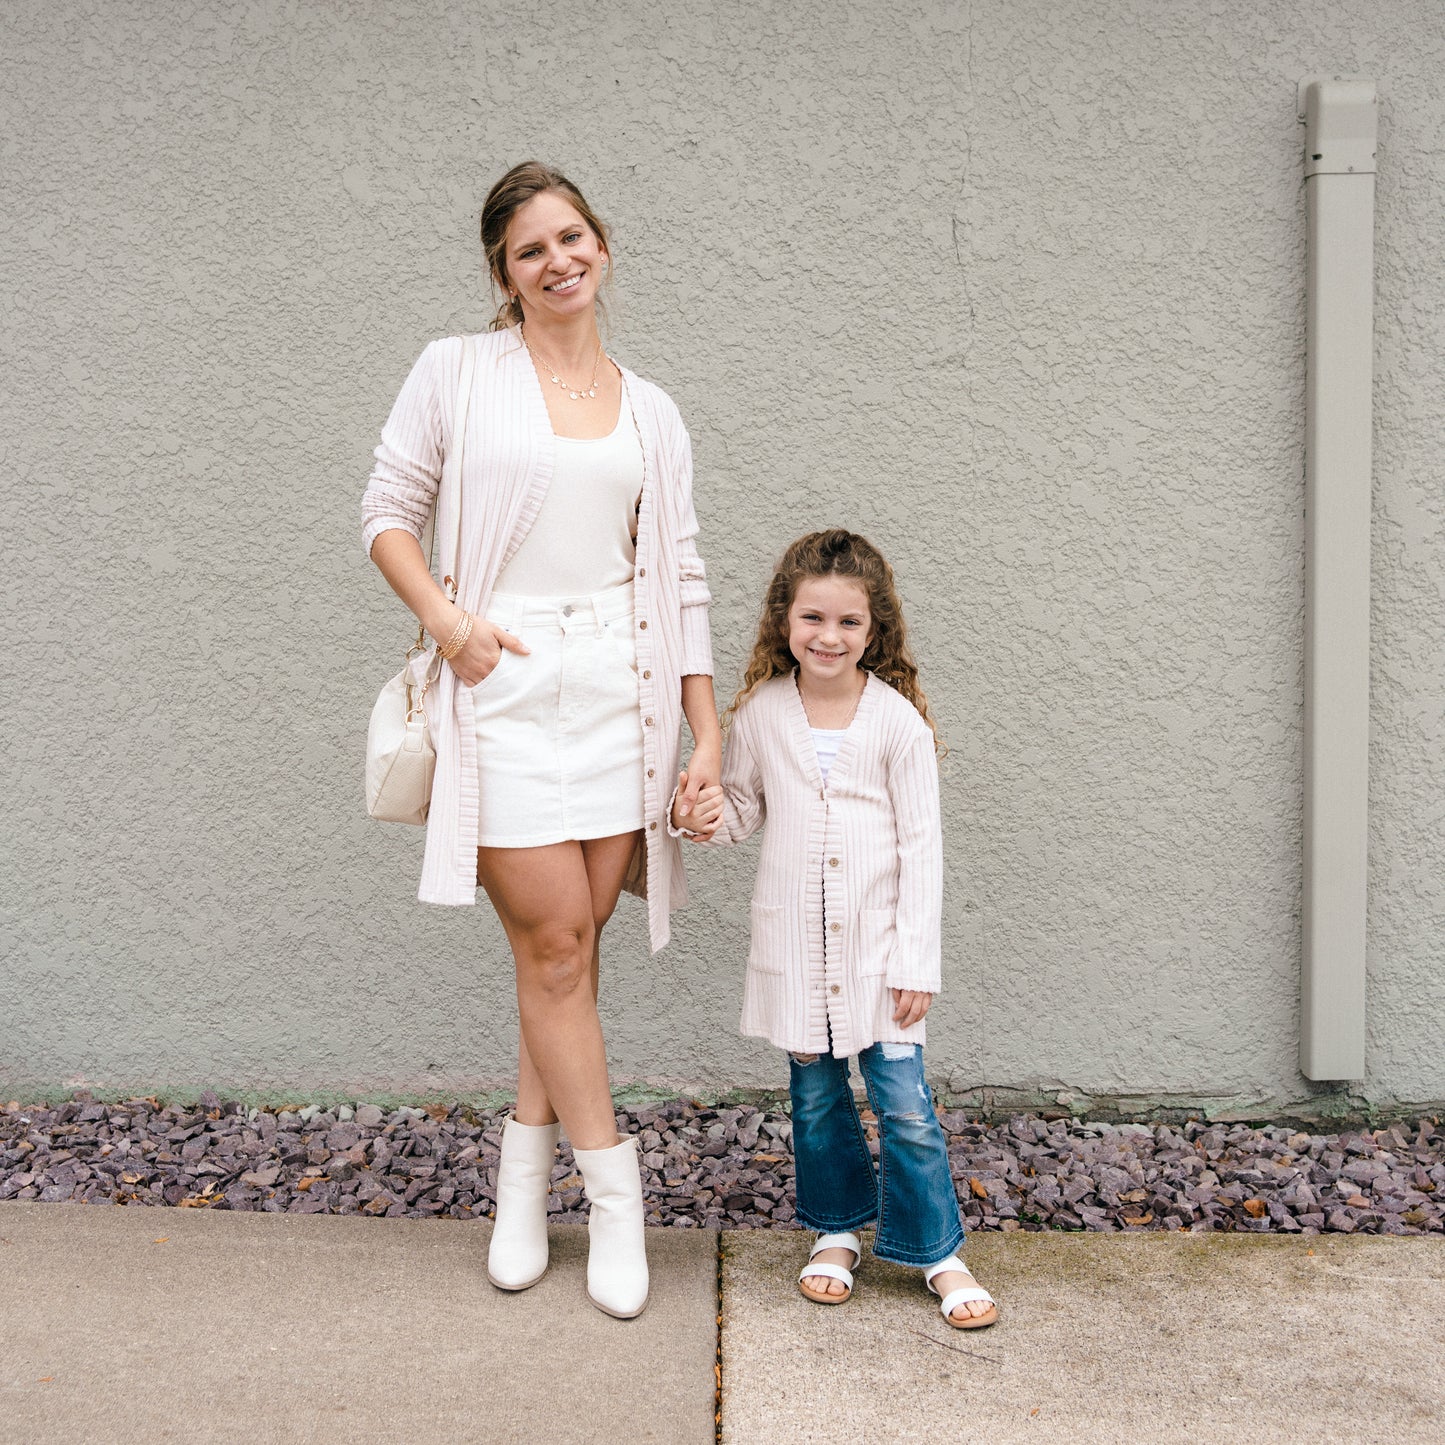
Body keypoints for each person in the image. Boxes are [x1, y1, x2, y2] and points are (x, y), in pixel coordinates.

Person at [362, 161, 720, 1319]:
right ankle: (617, 1203)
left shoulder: (650, 406)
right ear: (502, 275)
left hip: (619, 688)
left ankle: (521, 1186)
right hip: (503, 682)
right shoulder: (456, 371)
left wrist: (700, 728)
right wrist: (451, 626)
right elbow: (385, 511)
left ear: (602, 247)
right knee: (556, 945)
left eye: (573, 237)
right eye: (530, 249)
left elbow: (680, 571)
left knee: (563, 956)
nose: (557, 260)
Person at [672, 529, 997, 1329]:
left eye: (848, 622)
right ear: (784, 619)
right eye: (812, 616)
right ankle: (835, 1229)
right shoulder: (760, 715)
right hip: (795, 949)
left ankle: (934, 1246)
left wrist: (916, 959)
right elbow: (741, 812)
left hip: (882, 955)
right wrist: (696, 816)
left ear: (874, 630)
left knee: (904, 1104)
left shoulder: (896, 726)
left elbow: (923, 849)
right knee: (815, 1100)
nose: (828, 635)